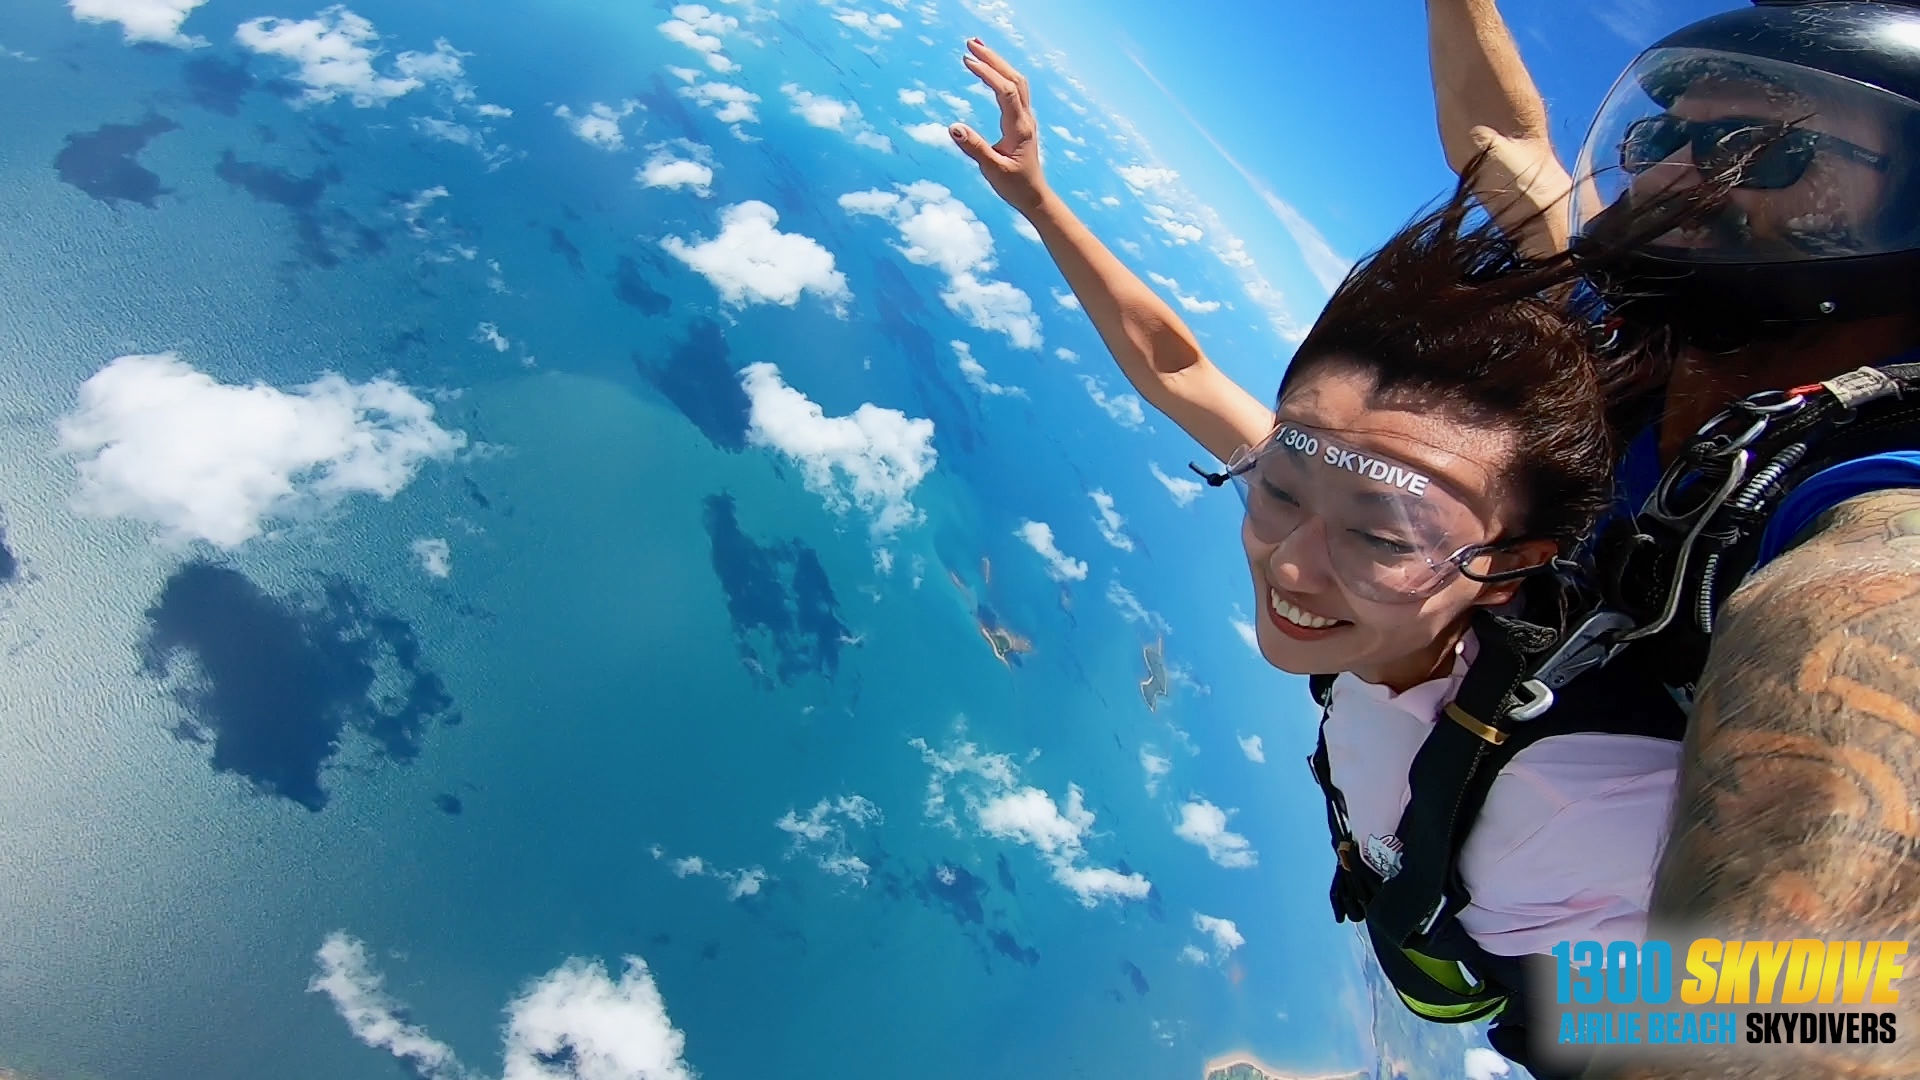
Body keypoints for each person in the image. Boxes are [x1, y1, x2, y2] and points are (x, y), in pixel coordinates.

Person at [949, 39, 1693, 1078]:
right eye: (1278, 488)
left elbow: (1829, 1014)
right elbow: (1179, 365)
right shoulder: (1395, 525)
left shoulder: (1576, 797)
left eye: (1381, 537)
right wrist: (1038, 202)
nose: (1293, 565)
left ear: (1512, 566)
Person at [1423, 2, 1920, 1076]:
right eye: (1658, 139)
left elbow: (1852, 993)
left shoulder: (1875, 489)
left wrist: (1605, 1021)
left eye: (1762, 149)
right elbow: (1507, 147)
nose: (1669, 180)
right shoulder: (1635, 359)